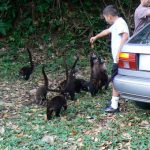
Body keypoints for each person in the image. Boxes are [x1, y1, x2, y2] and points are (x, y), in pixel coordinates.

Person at [90, 5, 129, 113]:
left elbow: (125, 36)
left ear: (110, 16)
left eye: (105, 18)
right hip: (118, 58)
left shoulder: (120, 23)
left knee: (115, 80)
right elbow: (107, 31)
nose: (106, 20)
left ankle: (114, 106)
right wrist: (96, 37)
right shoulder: (117, 24)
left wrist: (119, 53)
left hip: (120, 58)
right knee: (116, 79)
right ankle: (114, 100)